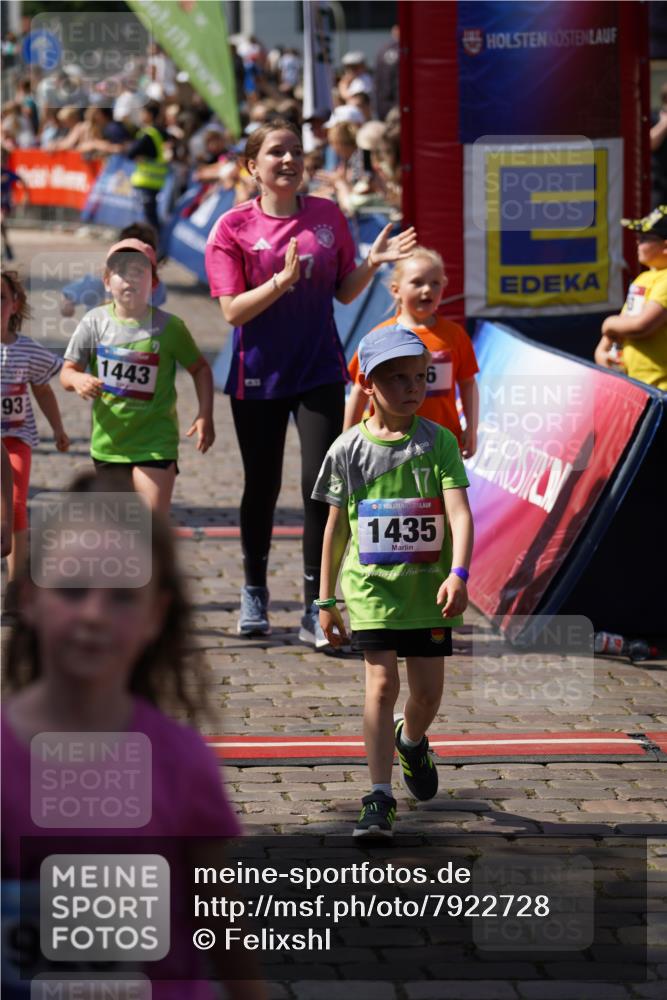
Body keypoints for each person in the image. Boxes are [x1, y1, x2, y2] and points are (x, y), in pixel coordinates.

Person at [1, 470, 266, 1000]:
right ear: (28, 596)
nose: (94, 614)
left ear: (155, 614)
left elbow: (226, 932)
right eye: (72, 589)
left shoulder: (182, 761)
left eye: (123, 595)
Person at [205, 117, 416, 643]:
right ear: (252, 166)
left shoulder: (326, 215)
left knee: (320, 489)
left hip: (319, 368)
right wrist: (281, 281)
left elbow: (344, 293)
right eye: (276, 152)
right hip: (257, 376)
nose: (289, 160)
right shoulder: (232, 228)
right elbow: (233, 313)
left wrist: (370, 264)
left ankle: (315, 606)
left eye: (296, 151)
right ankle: (255, 591)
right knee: (263, 486)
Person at [312, 327, 474, 838]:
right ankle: (378, 795)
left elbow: (460, 514)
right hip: (372, 589)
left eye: (419, 377)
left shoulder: (439, 441)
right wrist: (325, 599)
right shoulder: (347, 450)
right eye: (397, 378)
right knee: (382, 683)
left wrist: (459, 572)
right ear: (367, 382)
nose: (412, 387)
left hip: (428, 593)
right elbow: (335, 529)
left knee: (425, 697)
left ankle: (412, 740)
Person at [60, 238, 214, 513]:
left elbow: (200, 368)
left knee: (150, 525)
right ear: (107, 281)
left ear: (153, 284)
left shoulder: (170, 327)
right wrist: (78, 380)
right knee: (116, 530)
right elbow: (67, 372)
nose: (129, 279)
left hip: (156, 442)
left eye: (138, 272)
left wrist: (205, 414)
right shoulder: (94, 322)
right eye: (121, 272)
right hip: (109, 444)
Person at [345, 247, 479, 455]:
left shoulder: (455, 335)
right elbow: (359, 390)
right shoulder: (379, 337)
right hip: (390, 447)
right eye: (417, 282)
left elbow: (468, 383)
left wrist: (471, 428)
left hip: (441, 445)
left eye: (435, 283)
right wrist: (348, 437)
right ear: (396, 289)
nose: (427, 290)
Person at [1, 271, 69, 599]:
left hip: (16, 439)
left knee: (15, 505)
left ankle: (16, 587)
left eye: (1, 297)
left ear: (15, 305)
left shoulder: (27, 350)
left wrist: (57, 427)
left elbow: (42, 391)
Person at [594, 205, 667, 390]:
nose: (637, 242)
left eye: (644, 238)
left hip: (661, 389)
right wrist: (602, 351)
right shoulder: (643, 279)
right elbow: (624, 322)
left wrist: (608, 324)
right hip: (637, 387)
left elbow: (641, 326)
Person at [60, 221, 167, 318]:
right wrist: (67, 305)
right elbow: (70, 294)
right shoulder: (100, 279)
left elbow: (155, 307)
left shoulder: (155, 285)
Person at [126, 100, 170, 249]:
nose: (140, 115)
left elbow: (130, 153)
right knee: (151, 217)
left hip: (146, 181)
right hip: (157, 182)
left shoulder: (147, 134)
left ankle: (155, 248)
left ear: (149, 115)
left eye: (142, 112)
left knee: (149, 219)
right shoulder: (162, 132)